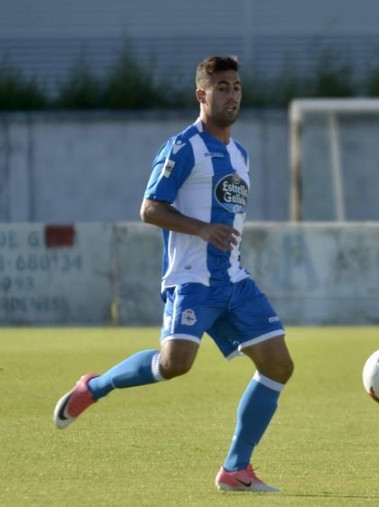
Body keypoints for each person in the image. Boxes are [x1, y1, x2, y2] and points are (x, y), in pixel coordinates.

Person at [53, 56, 293, 493]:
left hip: (234, 280)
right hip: (192, 280)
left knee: (279, 364)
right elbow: (150, 209)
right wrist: (202, 229)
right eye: (221, 87)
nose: (232, 94)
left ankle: (236, 469)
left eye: (236, 86)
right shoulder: (183, 147)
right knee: (173, 365)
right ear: (202, 95)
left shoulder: (240, 154)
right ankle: (96, 386)